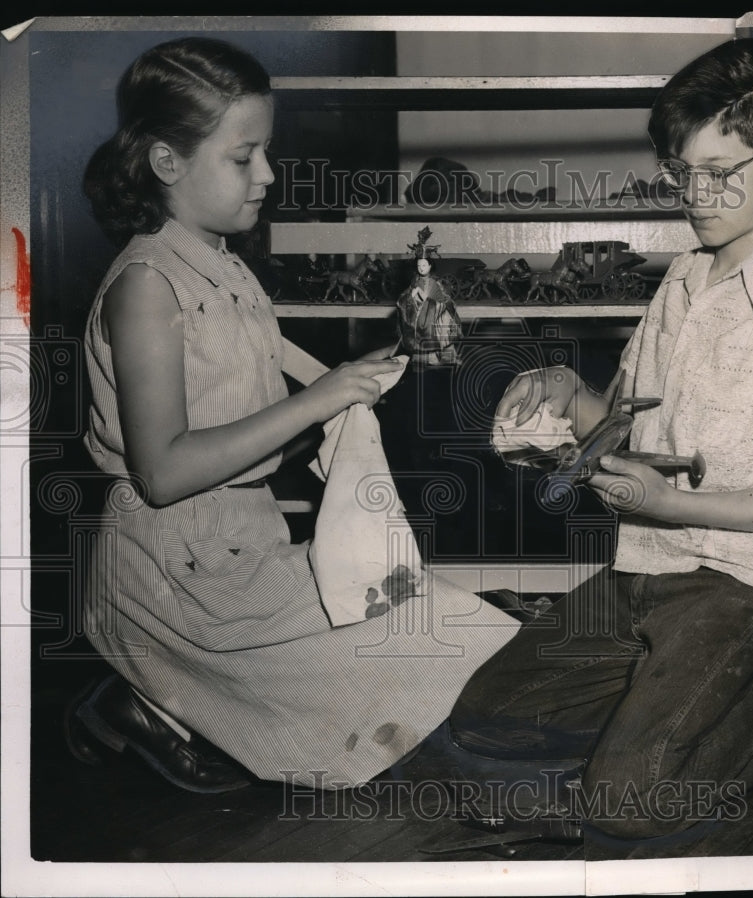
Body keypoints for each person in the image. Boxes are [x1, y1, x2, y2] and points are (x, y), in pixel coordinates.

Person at [449, 37, 753, 840]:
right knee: (487, 722)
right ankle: (663, 715)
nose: (694, 194)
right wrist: (560, 389)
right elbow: (621, 421)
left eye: (719, 172)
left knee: (628, 802)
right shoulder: (684, 279)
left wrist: (669, 500)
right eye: (679, 172)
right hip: (644, 565)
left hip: (742, 581)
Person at [64, 36, 508, 795]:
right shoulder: (146, 285)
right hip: (179, 575)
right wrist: (323, 397)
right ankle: (159, 686)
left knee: (453, 635)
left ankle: (163, 704)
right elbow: (166, 471)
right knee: (444, 653)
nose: (267, 175)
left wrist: (387, 362)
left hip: (242, 548)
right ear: (166, 162)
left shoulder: (228, 270)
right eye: (244, 157)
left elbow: (279, 400)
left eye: (266, 152)